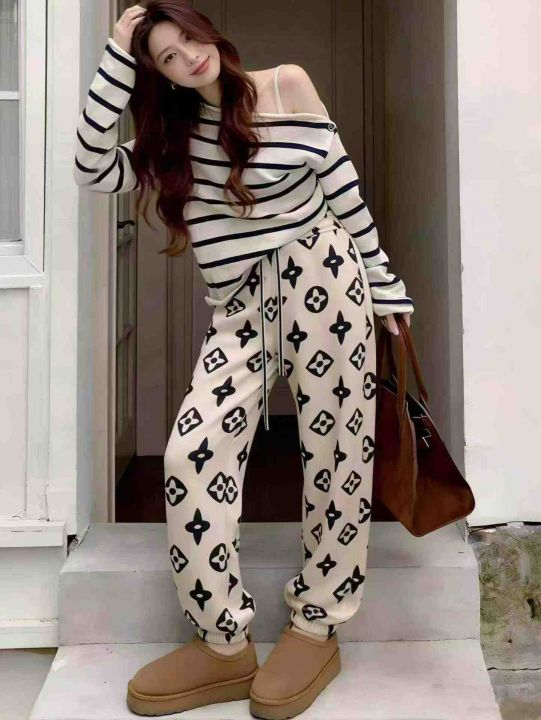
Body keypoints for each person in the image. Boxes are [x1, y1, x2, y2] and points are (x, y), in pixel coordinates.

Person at [73, 2, 414, 717]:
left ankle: (317, 624)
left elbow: (344, 193)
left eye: (188, 39)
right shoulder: (168, 138)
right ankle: (223, 641)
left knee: (338, 455)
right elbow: (89, 166)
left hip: (326, 281)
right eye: (165, 56)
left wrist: (384, 285)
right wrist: (116, 55)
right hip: (240, 311)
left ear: (208, 32)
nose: (187, 57)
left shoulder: (286, 85)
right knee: (189, 456)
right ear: (157, 74)